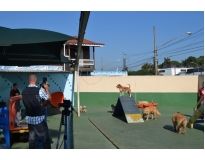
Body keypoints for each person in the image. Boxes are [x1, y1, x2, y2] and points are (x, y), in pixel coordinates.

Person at [22, 73, 51, 149]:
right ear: (36, 81)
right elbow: (49, 99)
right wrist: (47, 88)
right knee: (46, 140)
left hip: (29, 120)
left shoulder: (24, 91)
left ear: (28, 81)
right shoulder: (40, 91)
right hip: (39, 120)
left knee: (32, 140)